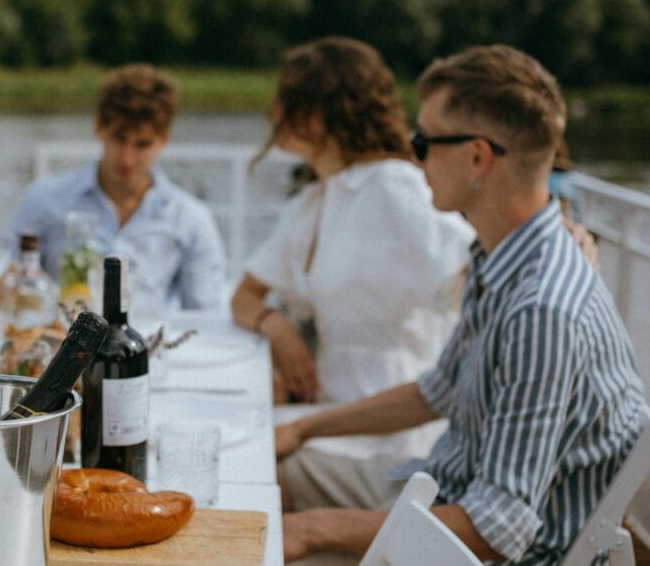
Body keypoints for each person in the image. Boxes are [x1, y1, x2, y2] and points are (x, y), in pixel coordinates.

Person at [277, 44, 648, 565]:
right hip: (434, 484)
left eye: (424, 140)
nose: (413, 154)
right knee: (268, 471)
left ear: (477, 157)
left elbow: (493, 530)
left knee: (271, 541)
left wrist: (319, 530)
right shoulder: (500, 259)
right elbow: (440, 390)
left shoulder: (541, 310)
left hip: (468, 547)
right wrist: (301, 428)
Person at [231, 37, 474, 431]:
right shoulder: (313, 202)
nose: (272, 112)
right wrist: (275, 326)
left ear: (325, 112)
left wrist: (551, 234)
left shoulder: (396, 188)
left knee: (236, 453)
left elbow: (479, 269)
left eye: (289, 100)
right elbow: (243, 295)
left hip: (396, 425)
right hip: (332, 413)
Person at [10, 63, 226, 311]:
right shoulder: (43, 199)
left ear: (163, 140)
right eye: (119, 139)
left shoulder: (191, 219)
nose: (127, 158)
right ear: (98, 126)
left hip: (146, 347)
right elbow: (9, 292)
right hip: (60, 345)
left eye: (142, 144)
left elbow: (204, 315)